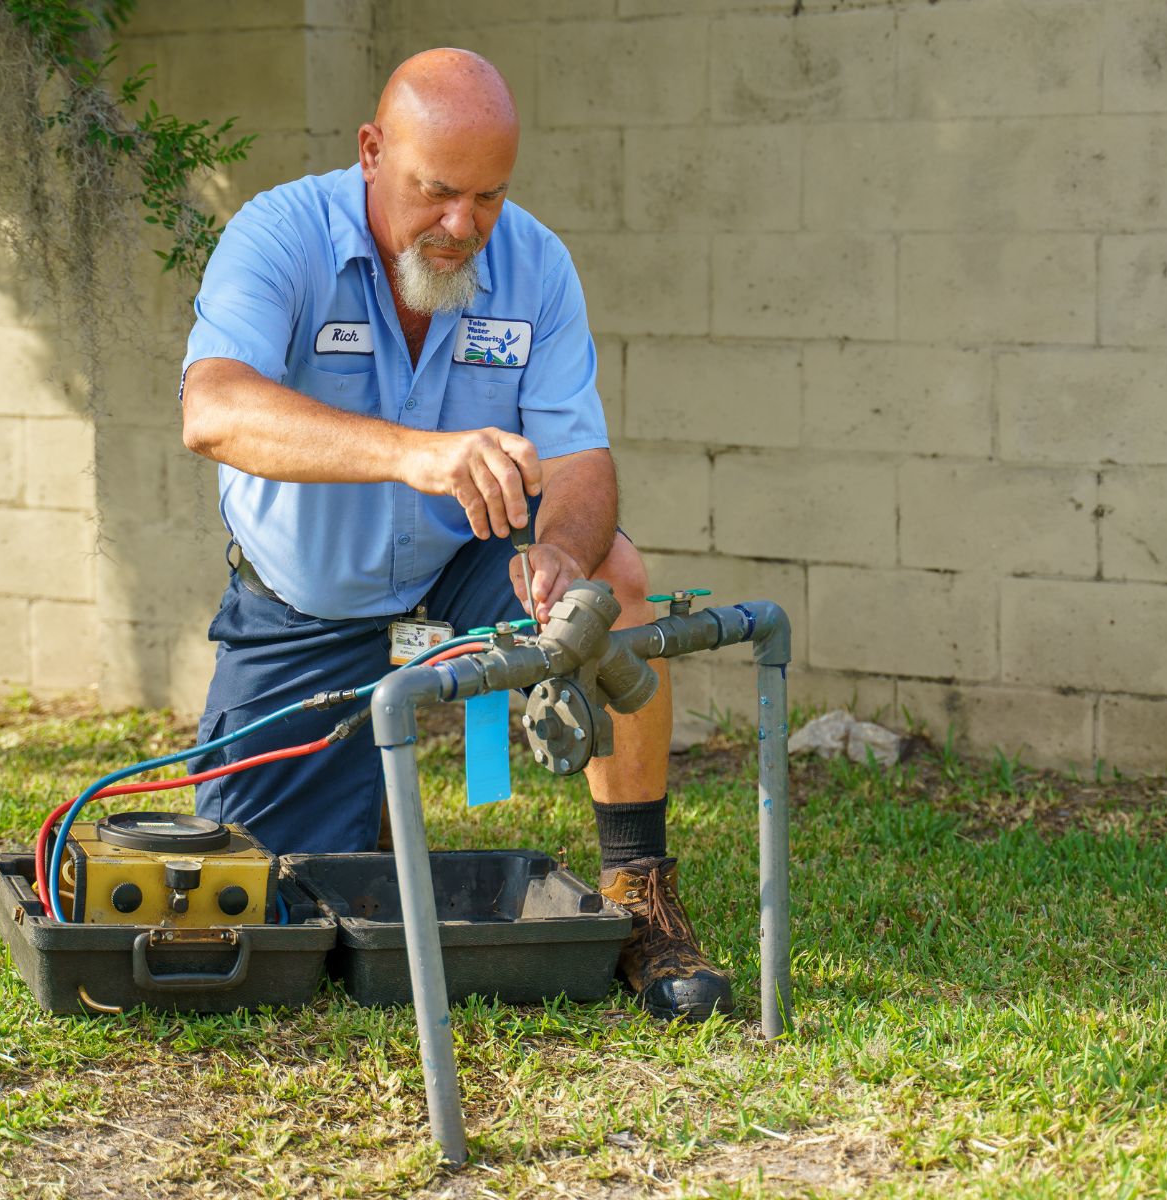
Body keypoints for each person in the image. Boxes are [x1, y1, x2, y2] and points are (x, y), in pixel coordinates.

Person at [176, 49, 728, 1022]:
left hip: (462, 583)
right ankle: (364, 816)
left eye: (489, 197)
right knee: (256, 916)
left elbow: (583, 464)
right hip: (306, 613)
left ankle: (640, 896)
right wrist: (412, 454)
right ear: (372, 150)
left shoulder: (536, 265)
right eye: (436, 193)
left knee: (617, 580)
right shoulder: (279, 235)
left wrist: (557, 551)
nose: (461, 227)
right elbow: (214, 411)